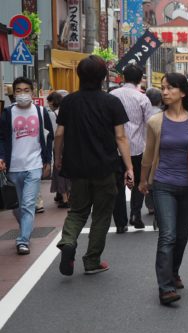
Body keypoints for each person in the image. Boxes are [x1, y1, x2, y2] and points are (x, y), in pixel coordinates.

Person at [54, 55, 134, 275]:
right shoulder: (111, 102)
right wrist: (129, 167)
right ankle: (91, 261)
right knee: (101, 214)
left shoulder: (69, 101)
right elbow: (120, 138)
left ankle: (68, 241)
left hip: (77, 167)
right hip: (105, 167)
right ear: (103, 77)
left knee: (77, 210)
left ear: (79, 75)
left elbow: (59, 133)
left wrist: (58, 158)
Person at [138, 72, 188, 305]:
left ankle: (174, 272)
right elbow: (148, 155)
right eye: (163, 88)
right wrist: (143, 180)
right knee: (168, 235)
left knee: (182, 236)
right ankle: (165, 287)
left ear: (182, 91)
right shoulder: (155, 121)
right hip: (163, 184)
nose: (165, 92)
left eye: (169, 88)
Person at [0, 77, 54, 255]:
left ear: (32, 92)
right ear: (13, 93)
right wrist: (1, 157)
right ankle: (25, 226)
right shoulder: (8, 113)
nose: (22, 94)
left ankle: (23, 240)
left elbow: (49, 137)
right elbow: (1, 137)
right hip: (13, 167)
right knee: (17, 207)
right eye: (18, 91)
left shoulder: (40, 112)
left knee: (29, 204)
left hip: (34, 165)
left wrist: (47, 161)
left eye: (26, 90)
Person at [109, 64, 154, 233]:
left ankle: (120, 222)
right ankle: (135, 214)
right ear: (140, 78)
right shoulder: (142, 98)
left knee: (117, 185)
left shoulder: (112, 95)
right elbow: (150, 124)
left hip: (114, 148)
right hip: (137, 148)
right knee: (139, 183)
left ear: (123, 77)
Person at [47, 91, 72, 209]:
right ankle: (68, 196)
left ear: (53, 101)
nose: (48, 104)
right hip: (69, 144)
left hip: (59, 145)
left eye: (49, 101)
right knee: (68, 170)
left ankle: (65, 198)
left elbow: (55, 133)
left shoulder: (53, 114)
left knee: (59, 171)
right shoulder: (68, 111)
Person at [143, 87, 163, 216]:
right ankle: (159, 204)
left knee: (147, 178)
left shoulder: (143, 112)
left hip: (144, 149)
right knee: (158, 178)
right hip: (161, 151)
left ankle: (150, 206)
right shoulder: (164, 113)